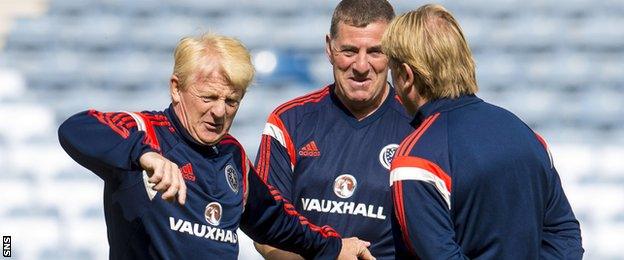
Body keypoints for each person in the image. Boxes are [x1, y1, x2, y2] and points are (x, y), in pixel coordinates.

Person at [58, 33, 374, 259]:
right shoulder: (144, 132)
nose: (220, 111)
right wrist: (146, 156)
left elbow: (276, 221)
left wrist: (333, 247)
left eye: (231, 101)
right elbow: (76, 128)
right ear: (176, 89)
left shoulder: (232, 155)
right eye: (208, 97)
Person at [381, 4, 584, 259]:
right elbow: (564, 236)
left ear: (406, 75)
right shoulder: (526, 136)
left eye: (392, 72)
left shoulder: (417, 158)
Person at [253, 1, 413, 259]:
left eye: (375, 52)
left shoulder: (418, 127)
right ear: (329, 48)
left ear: (393, 53)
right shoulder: (289, 121)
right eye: (349, 51)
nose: (361, 66)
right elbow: (264, 225)